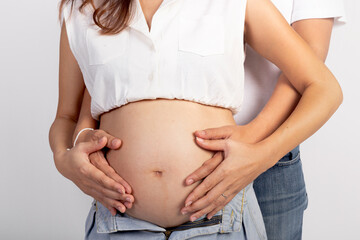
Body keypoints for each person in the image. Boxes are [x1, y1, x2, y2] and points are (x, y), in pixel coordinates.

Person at [49, 0, 343, 239]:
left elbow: (322, 86)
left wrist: (261, 152)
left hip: (219, 213)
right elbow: (67, 115)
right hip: (119, 221)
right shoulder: (83, 9)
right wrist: (65, 158)